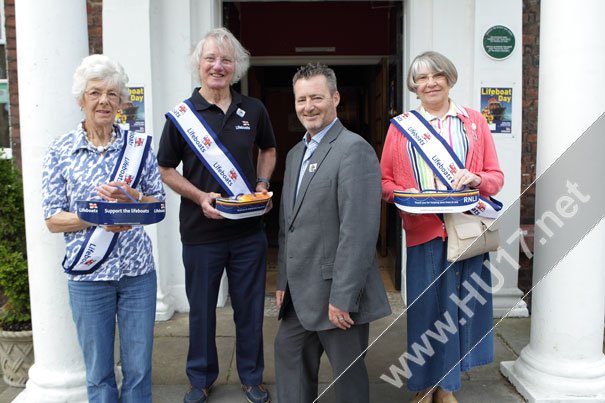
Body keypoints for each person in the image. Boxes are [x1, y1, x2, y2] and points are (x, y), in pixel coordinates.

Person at [157, 27, 276, 403]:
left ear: (236, 66)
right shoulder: (182, 115)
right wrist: (197, 196)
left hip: (247, 232)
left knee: (250, 310)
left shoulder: (253, 109)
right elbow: (165, 169)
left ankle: (252, 377)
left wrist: (260, 184)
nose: (218, 66)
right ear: (199, 65)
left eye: (226, 59)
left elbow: (269, 150)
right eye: (210, 58)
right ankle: (200, 379)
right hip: (200, 231)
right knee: (202, 313)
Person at [380, 51, 504, 403]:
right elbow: (385, 182)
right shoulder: (401, 128)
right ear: (414, 86)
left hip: (466, 230)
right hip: (424, 231)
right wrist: (405, 192)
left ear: (449, 78)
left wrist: (476, 177)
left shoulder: (474, 123)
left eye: (437, 75)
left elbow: (495, 178)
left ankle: (447, 387)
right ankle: (424, 383)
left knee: (459, 312)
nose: (430, 82)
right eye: (421, 78)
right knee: (426, 312)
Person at [41, 54, 165, 402]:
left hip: (138, 272)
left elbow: (157, 206)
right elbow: (52, 220)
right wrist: (98, 216)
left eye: (112, 94)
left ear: (122, 101)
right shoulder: (61, 150)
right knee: (98, 372)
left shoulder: (138, 146)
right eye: (95, 93)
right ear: (82, 99)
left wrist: (131, 197)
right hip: (88, 275)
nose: (104, 101)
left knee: (139, 369)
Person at [274, 62, 391, 403]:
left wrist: (343, 296)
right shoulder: (296, 154)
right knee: (288, 353)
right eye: (301, 100)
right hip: (299, 292)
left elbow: (358, 231)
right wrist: (283, 281)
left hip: (337, 296)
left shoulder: (354, 149)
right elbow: (288, 226)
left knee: (348, 379)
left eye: (316, 97)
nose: (308, 106)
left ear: (335, 98)